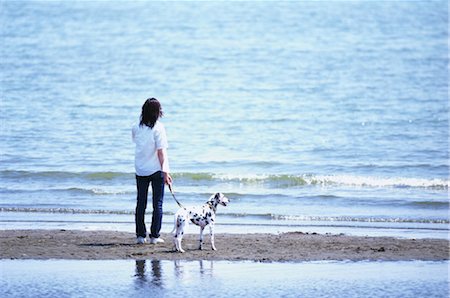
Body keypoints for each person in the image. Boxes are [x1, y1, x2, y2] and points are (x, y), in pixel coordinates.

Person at [132, 98, 172, 244]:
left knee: (141, 202)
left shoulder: (136, 127)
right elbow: (161, 153)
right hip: (156, 170)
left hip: (140, 169)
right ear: (157, 112)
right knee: (158, 203)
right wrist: (166, 172)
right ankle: (154, 236)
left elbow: (137, 144)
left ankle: (140, 236)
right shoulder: (159, 128)